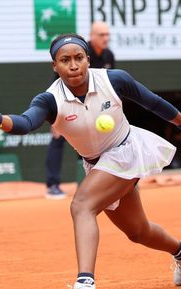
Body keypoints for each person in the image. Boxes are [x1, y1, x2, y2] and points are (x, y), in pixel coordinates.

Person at [0, 34, 181, 289]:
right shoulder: (50, 100)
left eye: (78, 58)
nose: (73, 65)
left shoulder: (115, 80)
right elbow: (26, 122)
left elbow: (155, 104)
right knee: (137, 231)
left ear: (88, 59)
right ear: (55, 66)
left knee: (82, 205)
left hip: (126, 151)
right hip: (97, 164)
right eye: (65, 60)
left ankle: (85, 286)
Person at [45, 21, 116, 199]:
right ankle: (52, 185)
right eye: (101, 35)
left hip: (95, 104)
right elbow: (59, 82)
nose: (105, 39)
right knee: (57, 138)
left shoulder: (109, 55)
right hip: (67, 102)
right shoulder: (77, 51)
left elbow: (109, 86)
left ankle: (115, 181)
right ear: (92, 36)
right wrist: (57, 114)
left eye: (107, 35)